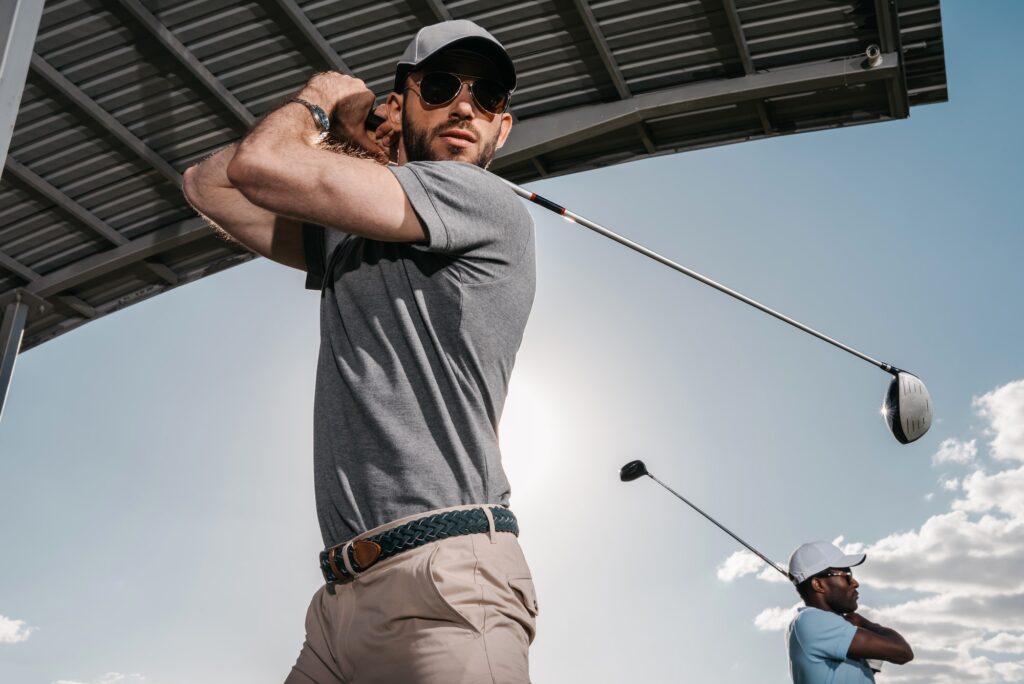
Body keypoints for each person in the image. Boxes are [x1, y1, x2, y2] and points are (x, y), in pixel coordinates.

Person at [182, 19, 538, 684]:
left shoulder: (482, 198)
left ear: (502, 128)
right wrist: (355, 144)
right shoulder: (350, 239)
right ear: (397, 105)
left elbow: (259, 166)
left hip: (447, 584)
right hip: (340, 601)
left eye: (486, 98)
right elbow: (207, 184)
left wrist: (320, 98)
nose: (465, 106)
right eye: (439, 86)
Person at [786, 541, 913, 683]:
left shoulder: (831, 627)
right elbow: (902, 652)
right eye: (846, 575)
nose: (855, 583)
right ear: (818, 584)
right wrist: (865, 623)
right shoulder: (812, 620)